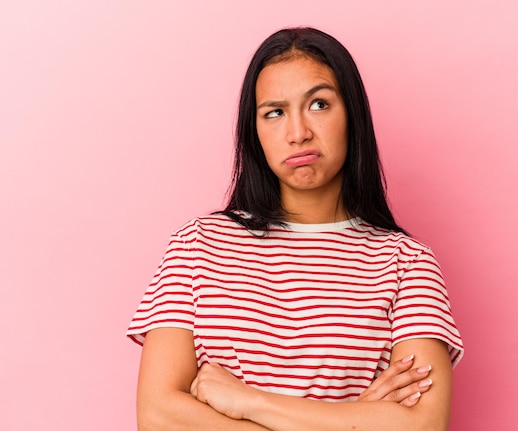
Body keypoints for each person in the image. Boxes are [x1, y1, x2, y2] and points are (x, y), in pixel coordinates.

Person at [127, 27, 463, 431]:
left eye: (319, 104)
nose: (298, 132)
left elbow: (422, 426)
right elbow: (158, 416)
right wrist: (353, 416)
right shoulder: (197, 247)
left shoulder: (406, 263)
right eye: (274, 112)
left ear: (352, 114)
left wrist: (246, 400)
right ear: (255, 132)